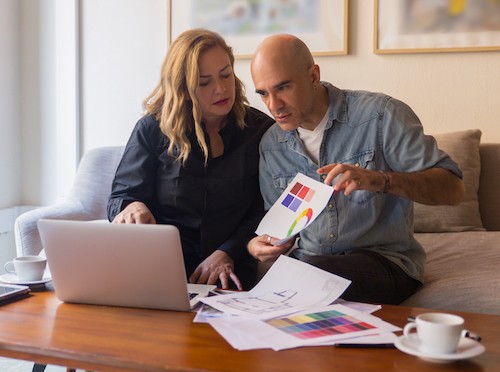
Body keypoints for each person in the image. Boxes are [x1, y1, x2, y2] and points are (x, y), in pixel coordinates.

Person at [247, 34, 464, 304]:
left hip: (385, 262)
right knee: (271, 286)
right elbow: (281, 228)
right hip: (309, 264)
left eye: (282, 88)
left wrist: (382, 180)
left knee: (307, 278)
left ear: (313, 76)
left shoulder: (382, 116)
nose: (273, 105)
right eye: (263, 93)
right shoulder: (271, 145)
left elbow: (453, 189)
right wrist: (262, 246)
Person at [107, 29, 274, 291]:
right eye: (204, 82)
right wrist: (132, 206)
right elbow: (121, 196)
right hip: (159, 270)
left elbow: (268, 209)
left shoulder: (261, 130)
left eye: (226, 74)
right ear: (183, 89)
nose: (220, 89)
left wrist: (228, 252)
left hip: (230, 273)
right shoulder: (152, 129)